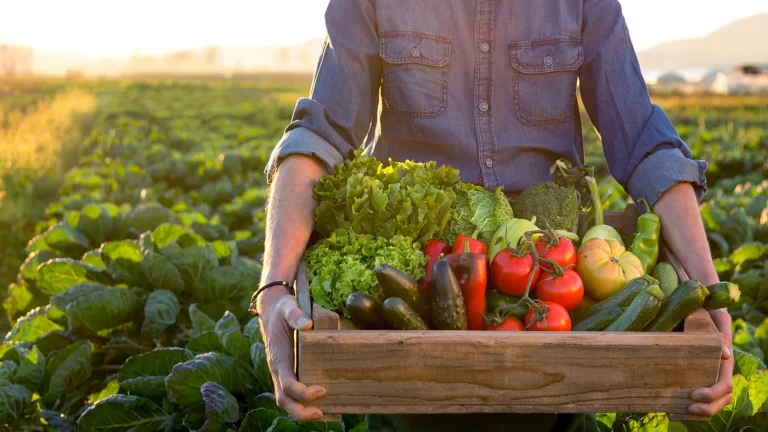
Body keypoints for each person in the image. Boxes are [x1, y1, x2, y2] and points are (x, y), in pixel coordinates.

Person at [252, 0, 734, 430]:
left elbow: (645, 142)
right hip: (415, 288)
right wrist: (274, 286)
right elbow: (318, 136)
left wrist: (709, 297)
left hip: (550, 282)